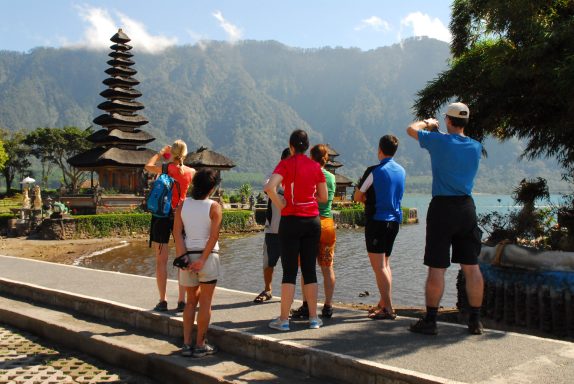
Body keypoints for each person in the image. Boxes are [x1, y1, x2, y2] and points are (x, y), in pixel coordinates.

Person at [406, 102, 484, 335]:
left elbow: (411, 129)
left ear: (448, 120)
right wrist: (439, 132)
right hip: (466, 207)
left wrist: (428, 124)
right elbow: (454, 141)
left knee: (437, 267)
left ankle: (430, 320)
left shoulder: (437, 141)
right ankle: (475, 321)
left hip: (442, 207)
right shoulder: (476, 146)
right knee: (471, 267)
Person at [264, 129, 328, 331]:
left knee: (289, 271)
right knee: (310, 270)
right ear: (307, 147)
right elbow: (324, 197)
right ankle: (314, 318)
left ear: (291, 147)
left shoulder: (286, 163)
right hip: (312, 221)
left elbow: (269, 187)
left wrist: (282, 204)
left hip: (290, 220)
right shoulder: (315, 166)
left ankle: (283, 320)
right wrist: (310, 201)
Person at [354, 135, 405, 320]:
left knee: (379, 267)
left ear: (379, 150)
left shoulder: (374, 171)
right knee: (385, 264)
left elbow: (357, 197)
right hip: (394, 223)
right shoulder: (401, 171)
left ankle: (388, 308)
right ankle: (383, 303)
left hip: (377, 222)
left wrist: (367, 198)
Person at [173, 168, 222, 357]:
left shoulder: (182, 205)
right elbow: (214, 235)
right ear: (211, 188)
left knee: (190, 302)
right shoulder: (214, 206)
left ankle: (186, 345)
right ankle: (201, 345)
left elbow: (177, 233)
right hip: (208, 257)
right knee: (206, 303)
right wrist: (202, 259)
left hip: (187, 257)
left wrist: (183, 257)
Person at [145, 140, 196, 312]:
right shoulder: (191, 172)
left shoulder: (167, 168)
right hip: (180, 216)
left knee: (161, 261)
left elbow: (148, 166)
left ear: (172, 153)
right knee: (182, 258)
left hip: (161, 216)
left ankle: (163, 300)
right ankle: (182, 300)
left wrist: (160, 153)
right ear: (185, 154)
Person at [291, 144, 337, 318]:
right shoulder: (332, 178)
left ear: (311, 157)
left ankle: (306, 305)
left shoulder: (309, 174)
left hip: (310, 223)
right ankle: (328, 306)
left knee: (306, 268)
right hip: (328, 224)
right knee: (328, 268)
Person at [253, 147, 291, 304]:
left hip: (291, 228)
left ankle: (288, 294)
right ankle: (268, 289)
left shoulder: (299, 177)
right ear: (282, 161)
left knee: (291, 265)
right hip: (273, 228)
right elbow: (268, 188)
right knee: (269, 261)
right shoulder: (273, 175)